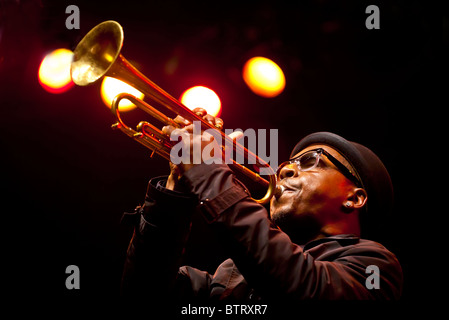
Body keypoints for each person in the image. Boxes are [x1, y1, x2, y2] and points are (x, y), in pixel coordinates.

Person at [120, 108, 403, 303]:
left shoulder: (375, 267)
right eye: (287, 164)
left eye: (310, 162)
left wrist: (208, 173)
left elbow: (301, 286)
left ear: (354, 197)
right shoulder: (230, 274)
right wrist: (177, 190)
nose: (285, 171)